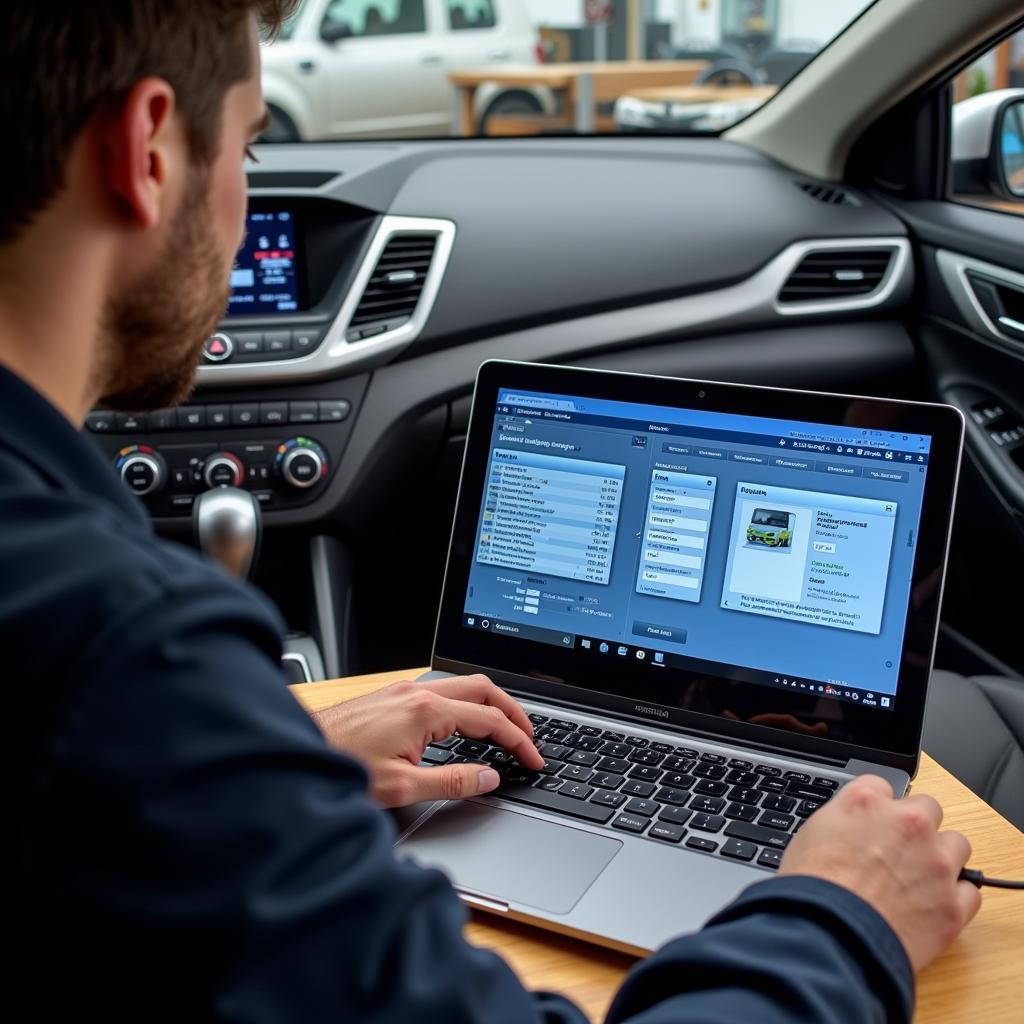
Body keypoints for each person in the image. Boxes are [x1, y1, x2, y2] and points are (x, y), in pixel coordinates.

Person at [2, 3, 980, 1022]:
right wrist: (840, 914)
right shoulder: (124, 653)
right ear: (147, 147)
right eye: (250, 146)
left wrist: (256, 784)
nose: (249, 201)